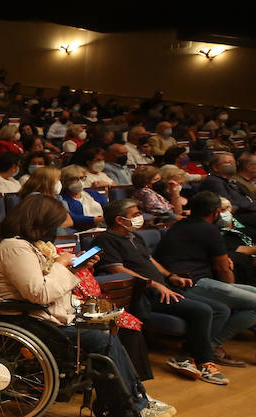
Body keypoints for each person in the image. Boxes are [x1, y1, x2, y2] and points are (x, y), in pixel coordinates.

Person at [0, 194, 171, 417]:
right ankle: (126, 406)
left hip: (46, 314)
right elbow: (39, 293)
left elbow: (49, 285)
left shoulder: (33, 246)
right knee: (101, 339)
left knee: (110, 329)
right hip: (28, 320)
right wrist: (60, 265)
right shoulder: (15, 248)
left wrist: (76, 268)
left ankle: (132, 399)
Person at [94, 199, 230, 385]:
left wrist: (170, 275)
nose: (140, 218)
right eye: (135, 214)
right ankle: (204, 362)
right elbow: (117, 270)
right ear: (119, 219)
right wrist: (155, 285)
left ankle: (185, 356)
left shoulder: (134, 236)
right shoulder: (105, 240)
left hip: (165, 288)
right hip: (144, 294)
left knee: (221, 308)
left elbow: (149, 260)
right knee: (203, 310)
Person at [154, 191, 256, 367]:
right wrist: (231, 293)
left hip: (188, 279)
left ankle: (208, 346)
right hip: (192, 282)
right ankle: (208, 347)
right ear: (216, 212)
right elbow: (223, 269)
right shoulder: (209, 230)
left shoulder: (180, 225)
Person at [198, 152, 256, 218]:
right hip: (238, 215)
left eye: (234, 163)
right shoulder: (213, 182)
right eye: (228, 162)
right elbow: (229, 204)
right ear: (215, 167)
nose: (232, 165)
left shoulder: (230, 180)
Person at [60, 164, 105, 229]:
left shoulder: (93, 193)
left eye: (82, 178)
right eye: (75, 179)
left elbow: (108, 208)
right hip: (81, 230)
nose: (80, 182)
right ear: (65, 181)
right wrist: (98, 219)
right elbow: (72, 218)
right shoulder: (62, 198)